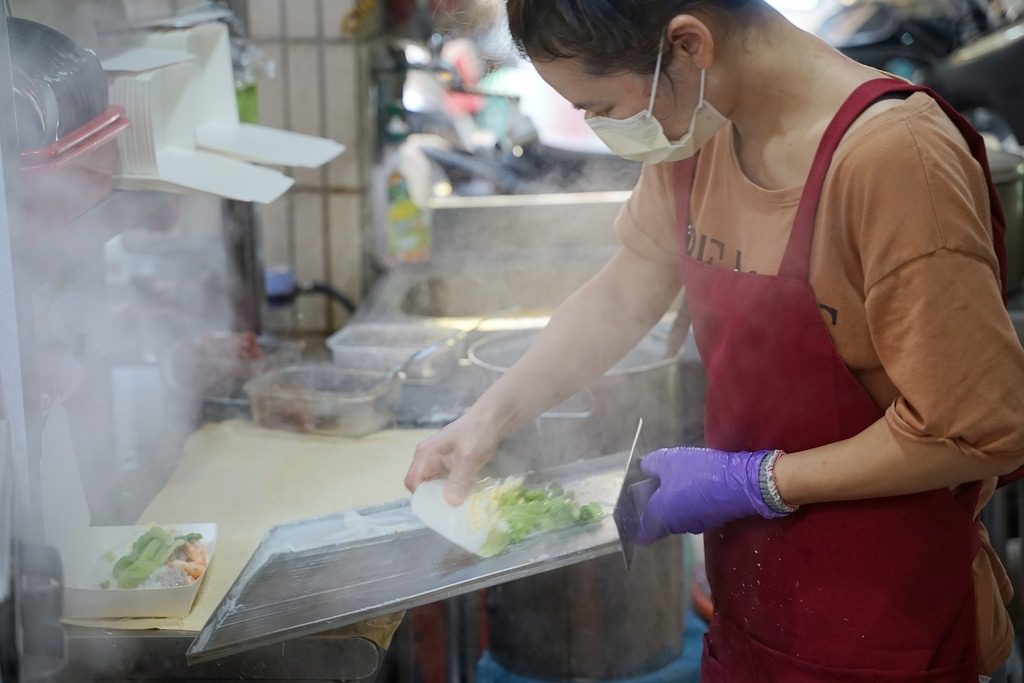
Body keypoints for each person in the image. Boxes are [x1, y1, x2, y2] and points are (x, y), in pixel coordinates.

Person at [404, 1, 1024, 679]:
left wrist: (753, 480)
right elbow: (624, 292)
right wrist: (486, 418)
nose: (599, 126)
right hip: (751, 614)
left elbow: (978, 430)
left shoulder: (892, 158)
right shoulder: (697, 133)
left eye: (600, 104)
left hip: (886, 634)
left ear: (690, 44)